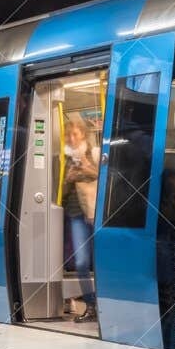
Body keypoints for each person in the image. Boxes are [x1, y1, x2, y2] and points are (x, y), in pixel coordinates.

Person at [60, 115, 100, 321]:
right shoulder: (64, 158)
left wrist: (84, 164)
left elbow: (100, 175)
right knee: (82, 262)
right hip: (76, 214)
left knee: (102, 260)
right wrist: (68, 177)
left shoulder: (94, 152)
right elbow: (63, 188)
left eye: (74, 134)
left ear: (82, 134)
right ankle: (91, 305)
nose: (71, 139)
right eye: (68, 135)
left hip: (96, 212)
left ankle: (106, 303)